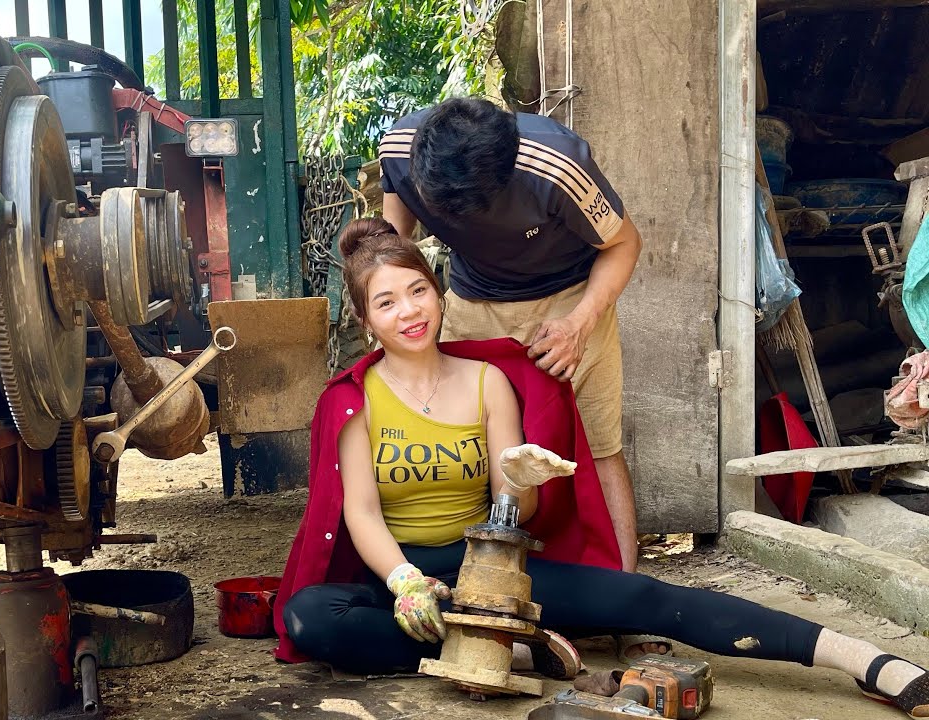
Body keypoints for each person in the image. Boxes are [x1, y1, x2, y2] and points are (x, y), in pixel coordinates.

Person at [273, 219, 928, 718]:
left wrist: (517, 486)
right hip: (411, 575)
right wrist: (407, 582)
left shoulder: (489, 382)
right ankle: (505, 648)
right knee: (310, 616)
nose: (409, 311)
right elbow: (358, 512)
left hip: (490, 570)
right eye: (386, 303)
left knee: (645, 598)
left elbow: (515, 520)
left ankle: (862, 659)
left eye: (418, 290)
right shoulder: (353, 399)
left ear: (438, 293)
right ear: (366, 322)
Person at [379, 98, 643, 579]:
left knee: (596, 445)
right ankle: (477, 582)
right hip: (471, 304)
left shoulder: (558, 164)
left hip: (568, 303)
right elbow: (394, 235)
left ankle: (626, 597)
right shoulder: (398, 148)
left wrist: (579, 324)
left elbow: (626, 244)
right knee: (467, 445)